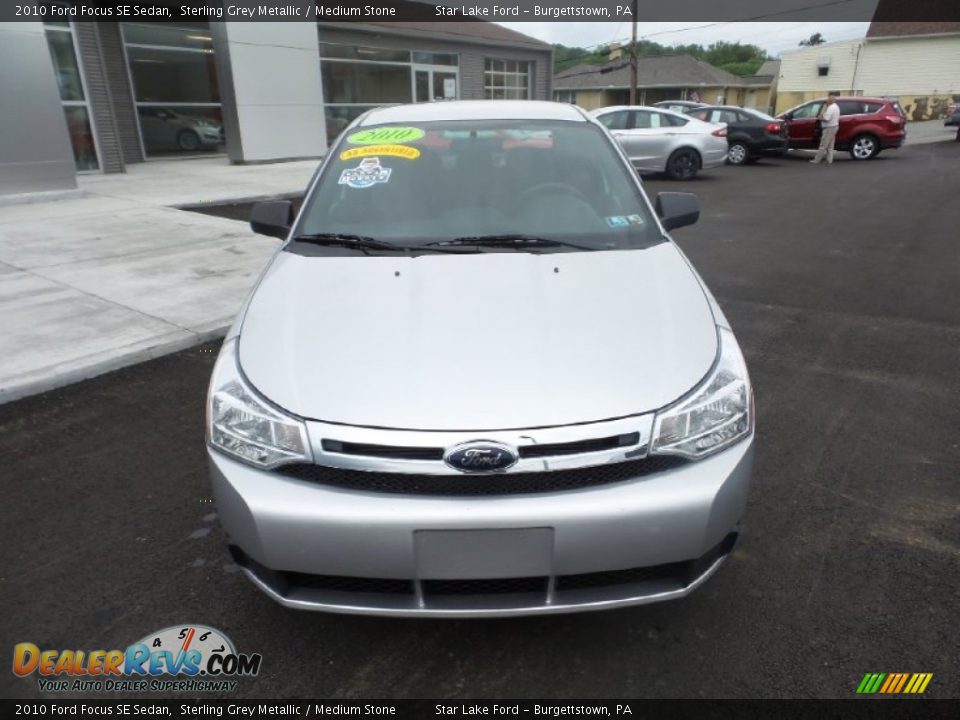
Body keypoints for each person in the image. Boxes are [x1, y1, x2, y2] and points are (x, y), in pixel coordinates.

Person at [811, 93, 840, 164]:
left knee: (823, 145)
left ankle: (817, 160)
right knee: (830, 145)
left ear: (831, 100)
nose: (826, 100)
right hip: (834, 127)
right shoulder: (836, 106)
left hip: (829, 128)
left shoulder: (831, 108)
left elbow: (827, 118)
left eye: (828, 99)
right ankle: (829, 160)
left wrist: (820, 118)